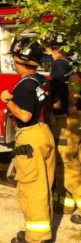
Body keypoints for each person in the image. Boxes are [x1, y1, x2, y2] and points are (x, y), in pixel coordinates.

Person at [1, 38, 55, 243]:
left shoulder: (24, 86)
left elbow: (23, 115)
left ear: (20, 61)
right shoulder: (42, 80)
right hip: (44, 133)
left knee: (31, 187)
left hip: (30, 137)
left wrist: (7, 100)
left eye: (14, 60)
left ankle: (35, 238)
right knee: (44, 185)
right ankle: (42, 231)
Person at [47, 36, 81, 222]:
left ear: (54, 50)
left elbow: (67, 88)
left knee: (65, 160)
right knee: (76, 160)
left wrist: (67, 104)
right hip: (78, 119)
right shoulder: (75, 63)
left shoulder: (59, 65)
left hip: (67, 119)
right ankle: (67, 204)